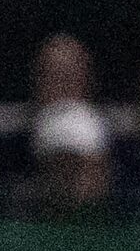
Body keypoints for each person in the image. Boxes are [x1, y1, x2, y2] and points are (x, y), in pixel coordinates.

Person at [16, 32, 111, 214]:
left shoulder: (89, 125)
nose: (65, 86)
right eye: (55, 75)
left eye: (71, 75)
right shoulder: (4, 145)